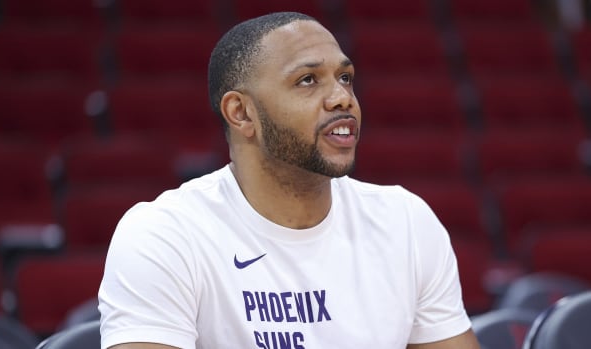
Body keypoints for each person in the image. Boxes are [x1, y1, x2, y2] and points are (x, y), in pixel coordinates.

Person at [98, 11, 481, 349]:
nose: (342, 98)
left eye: (345, 77)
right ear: (242, 113)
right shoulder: (165, 235)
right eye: (308, 80)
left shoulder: (406, 222)